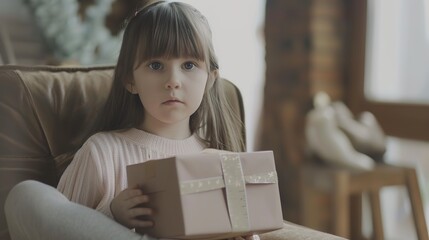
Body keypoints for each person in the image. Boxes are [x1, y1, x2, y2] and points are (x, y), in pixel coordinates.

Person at [5, 1, 255, 239]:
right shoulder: (102, 152)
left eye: (189, 65)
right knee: (26, 196)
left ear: (211, 79)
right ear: (130, 81)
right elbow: (56, 228)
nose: (173, 81)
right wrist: (112, 215)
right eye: (156, 66)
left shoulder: (220, 161)